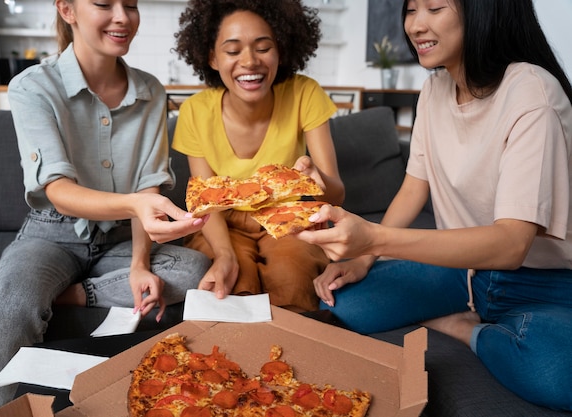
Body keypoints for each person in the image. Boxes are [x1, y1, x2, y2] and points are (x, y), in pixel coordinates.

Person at [296, 0, 572, 410]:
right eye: (411, 10)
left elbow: (511, 245)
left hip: (545, 285)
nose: (416, 25)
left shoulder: (533, 94)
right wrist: (365, 257)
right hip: (463, 273)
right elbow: (413, 187)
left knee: (557, 376)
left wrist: (373, 237)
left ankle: (464, 330)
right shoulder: (434, 88)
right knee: (343, 303)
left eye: (435, 7)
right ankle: (476, 319)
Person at [0, 0, 211, 409]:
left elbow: (149, 187)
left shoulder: (152, 91)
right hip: (51, 233)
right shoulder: (32, 86)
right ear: (68, 10)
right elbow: (57, 188)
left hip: (122, 239)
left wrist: (141, 263)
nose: (122, 16)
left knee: (193, 269)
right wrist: (137, 205)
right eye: (104, 4)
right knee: (16, 306)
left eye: (131, 5)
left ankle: (64, 295)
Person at [171, 0, 345, 312]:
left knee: (293, 274)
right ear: (212, 57)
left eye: (263, 47)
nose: (250, 61)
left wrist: (316, 186)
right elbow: (206, 203)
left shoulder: (304, 93)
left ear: (281, 50)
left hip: (288, 219)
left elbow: (337, 192)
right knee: (232, 283)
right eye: (233, 50)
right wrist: (224, 255)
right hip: (223, 223)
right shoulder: (195, 111)